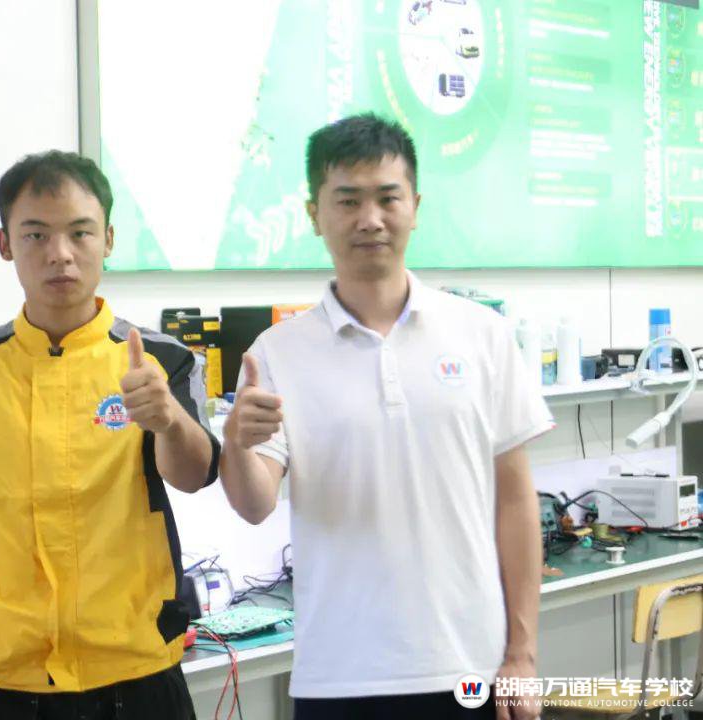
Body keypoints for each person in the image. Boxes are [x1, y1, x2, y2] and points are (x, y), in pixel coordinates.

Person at [219, 113, 552, 720]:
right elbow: (253, 504)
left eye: (387, 198)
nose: (369, 219)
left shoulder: (482, 334)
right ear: (314, 214)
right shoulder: (276, 353)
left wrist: (521, 654)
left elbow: (514, 499)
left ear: (415, 207)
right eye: (347, 200)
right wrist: (237, 443)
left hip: (468, 666)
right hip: (337, 676)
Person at [0, 150, 219, 720]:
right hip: (6, 678)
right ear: (5, 244)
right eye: (36, 234)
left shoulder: (159, 359)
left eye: (80, 233)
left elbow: (194, 477)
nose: (60, 253)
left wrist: (168, 419)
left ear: (108, 240)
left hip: (138, 671)